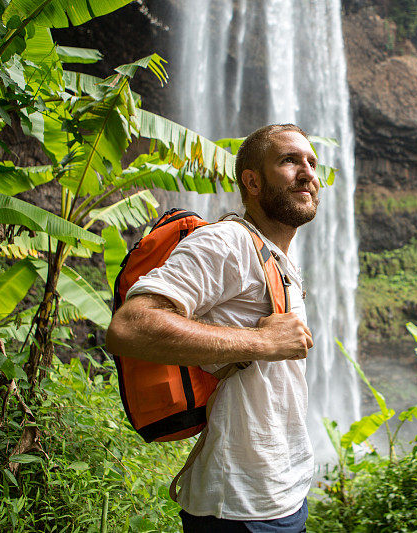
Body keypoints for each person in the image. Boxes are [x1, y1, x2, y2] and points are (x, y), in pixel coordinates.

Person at [106, 123, 320, 532]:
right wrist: (261, 341)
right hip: (238, 507)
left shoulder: (275, 257)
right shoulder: (227, 242)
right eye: (289, 160)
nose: (308, 172)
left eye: (311, 161)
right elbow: (130, 326)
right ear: (252, 182)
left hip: (284, 493)